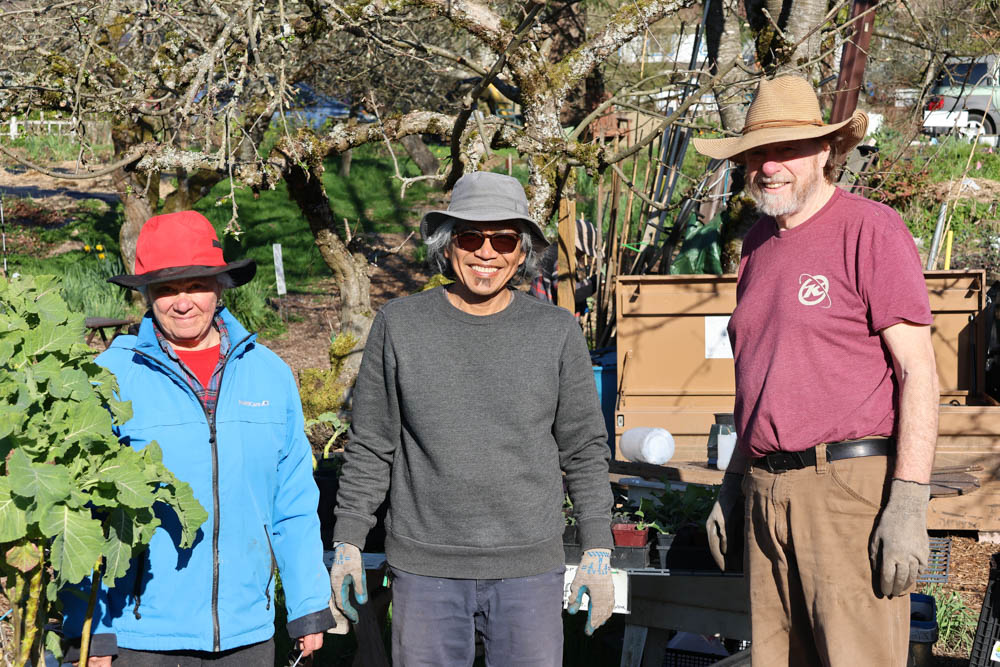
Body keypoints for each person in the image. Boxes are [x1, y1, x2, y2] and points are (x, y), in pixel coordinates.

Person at [693, 76, 939, 666]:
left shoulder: (870, 229)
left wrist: (908, 500)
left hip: (845, 490)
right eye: (757, 153)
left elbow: (918, 372)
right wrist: (732, 485)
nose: (769, 167)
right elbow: (760, 383)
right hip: (765, 491)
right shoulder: (756, 245)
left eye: (787, 150)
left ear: (826, 150)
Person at [329, 171, 615, 665]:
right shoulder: (400, 325)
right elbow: (372, 443)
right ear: (447, 245)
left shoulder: (555, 331)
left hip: (528, 569)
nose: (487, 252)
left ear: (522, 253)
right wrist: (348, 541)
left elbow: (584, 447)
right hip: (425, 570)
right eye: (470, 237)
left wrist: (598, 547)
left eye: (503, 239)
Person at [62, 211, 334, 666]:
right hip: (141, 635)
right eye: (167, 289)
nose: (183, 302)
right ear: (147, 295)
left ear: (220, 288)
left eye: (196, 285)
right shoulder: (110, 378)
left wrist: (307, 605)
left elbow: (293, 501)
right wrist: (91, 634)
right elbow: (82, 516)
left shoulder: (269, 374)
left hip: (247, 633)